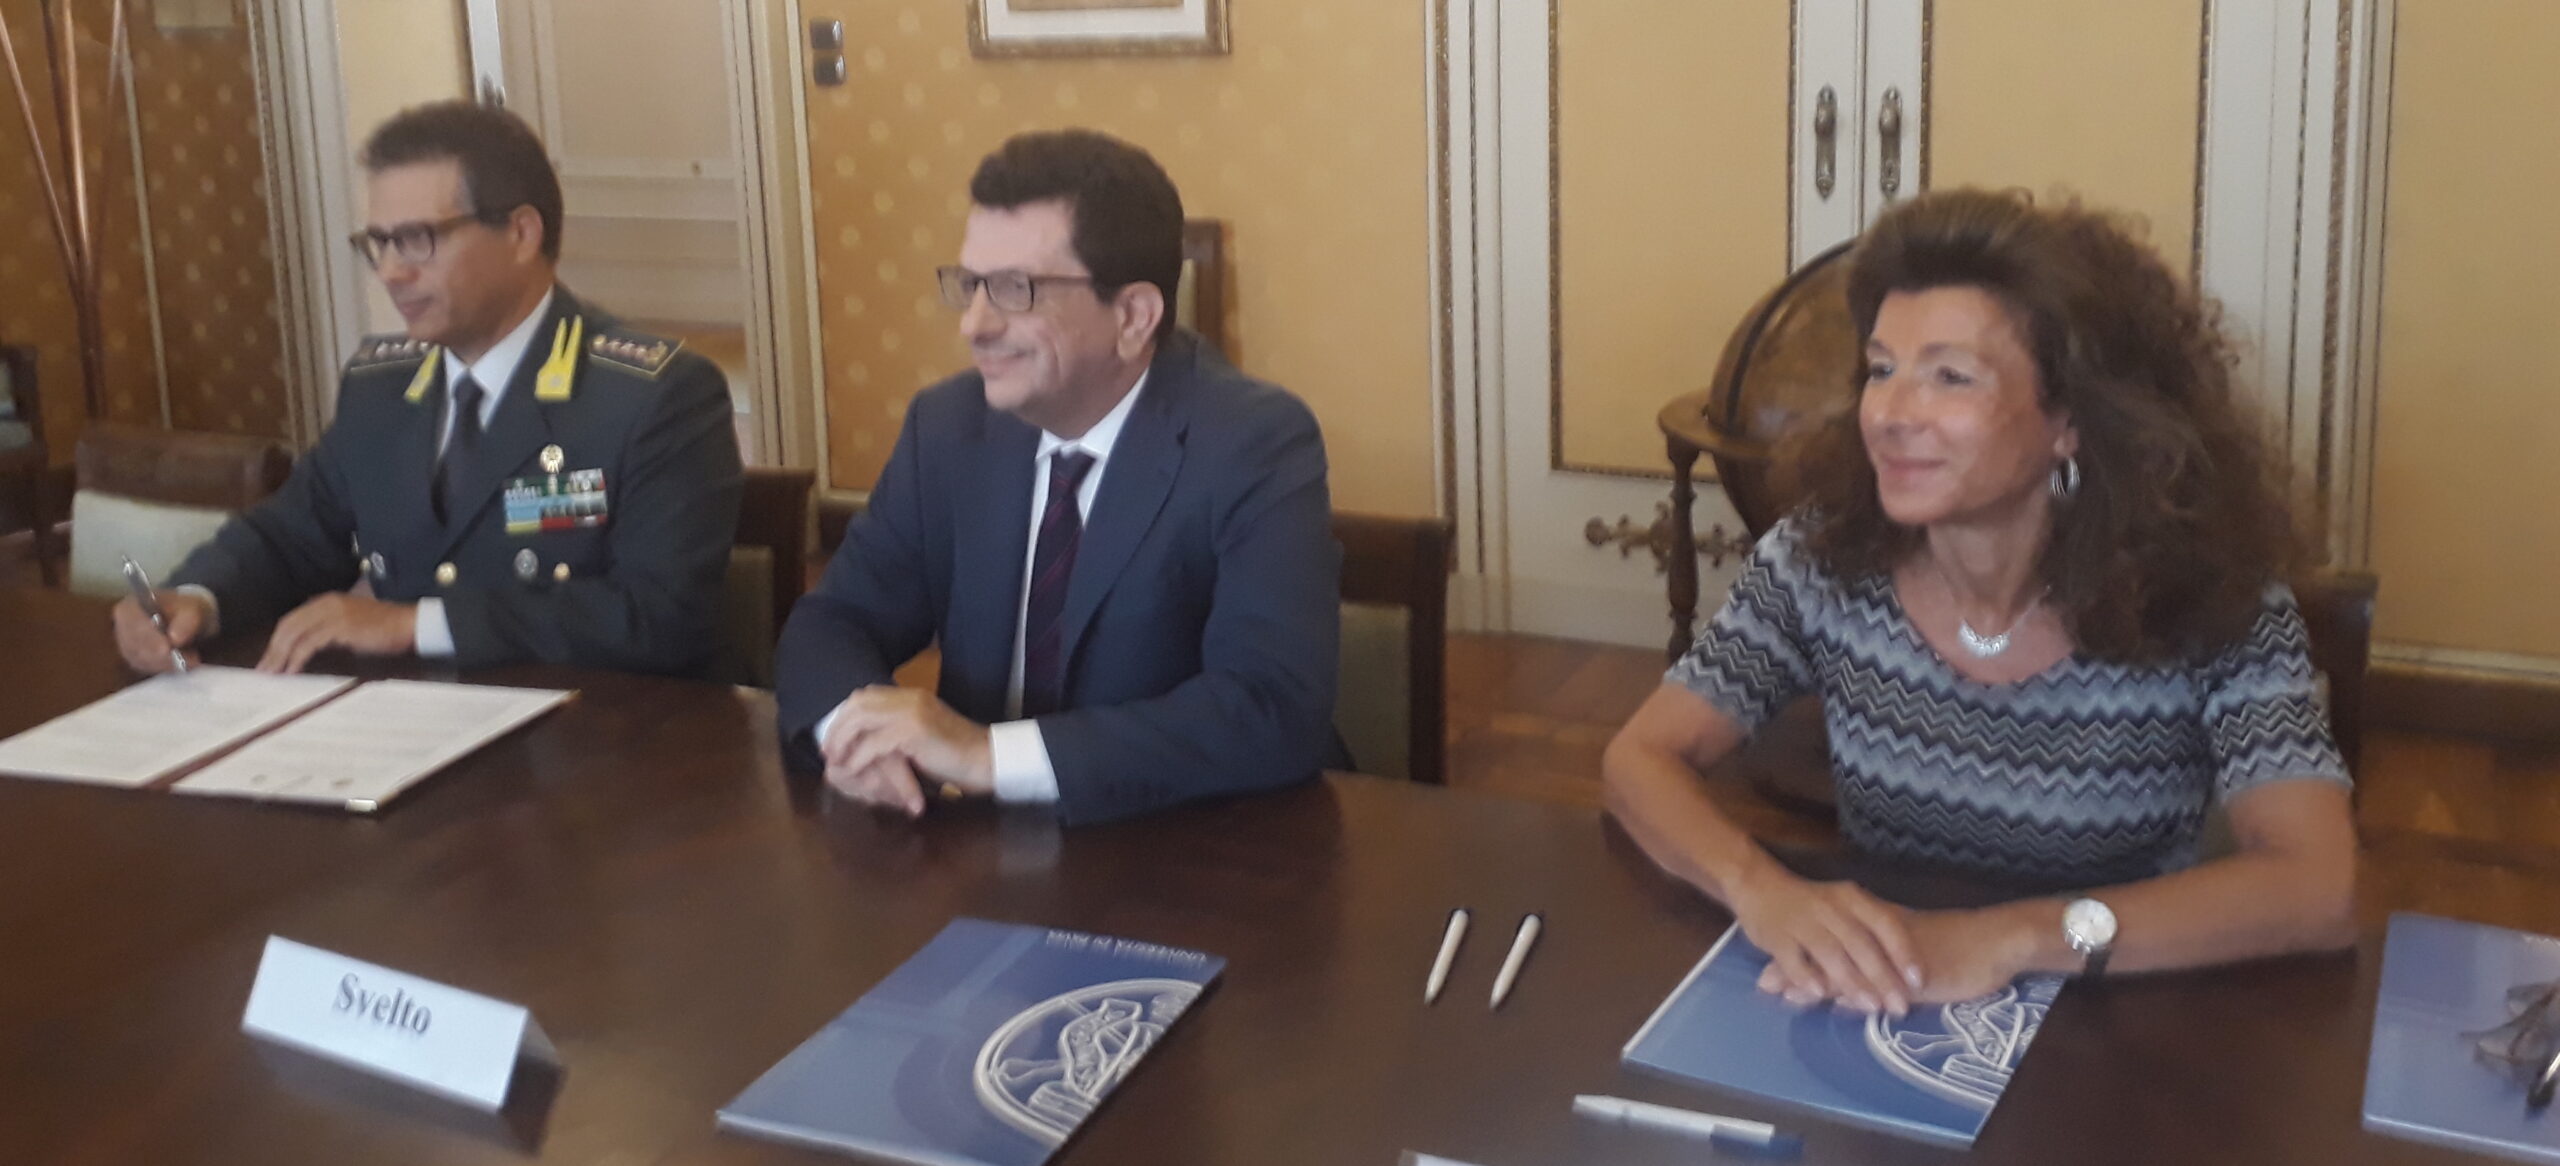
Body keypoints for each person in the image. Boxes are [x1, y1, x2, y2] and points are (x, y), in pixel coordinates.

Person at [1604, 189, 2357, 1015]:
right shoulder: (1820, 560)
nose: (1891, 414)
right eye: (1882, 369)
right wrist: (1762, 890)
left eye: (1950, 377)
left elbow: (2318, 887)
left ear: (2069, 419)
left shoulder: (2213, 597)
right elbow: (1640, 759)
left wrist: (2013, 940)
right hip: (1886, 1000)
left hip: (2112, 1018)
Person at [775, 129, 1341, 826]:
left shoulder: (1252, 442)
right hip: (971, 846)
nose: (974, 325)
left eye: (1015, 290)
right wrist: (855, 737)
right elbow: (835, 621)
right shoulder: (949, 427)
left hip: (1184, 846)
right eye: (971, 285)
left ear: (1133, 317)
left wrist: (989, 755)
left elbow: (1272, 707)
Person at [109, 101, 742, 677]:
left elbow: (661, 616)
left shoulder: (652, 398)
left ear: (521, 234)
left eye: (417, 240)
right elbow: (290, 536)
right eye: (378, 243)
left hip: (594, 739)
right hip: (406, 726)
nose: (391, 272)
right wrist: (195, 599)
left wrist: (416, 624)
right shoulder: (381, 389)